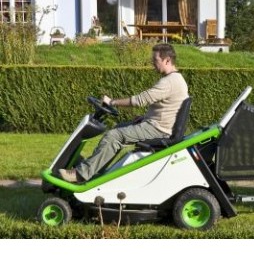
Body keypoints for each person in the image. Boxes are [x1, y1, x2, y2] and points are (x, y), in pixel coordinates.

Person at [58, 43, 189, 183]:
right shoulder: (175, 79)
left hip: (158, 129)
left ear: (167, 60)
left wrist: (112, 102)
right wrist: (144, 117)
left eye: (155, 60)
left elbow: (140, 100)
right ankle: (95, 171)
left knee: (114, 136)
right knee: (117, 129)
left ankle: (80, 174)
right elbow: (167, 108)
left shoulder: (169, 81)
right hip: (158, 126)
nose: (153, 63)